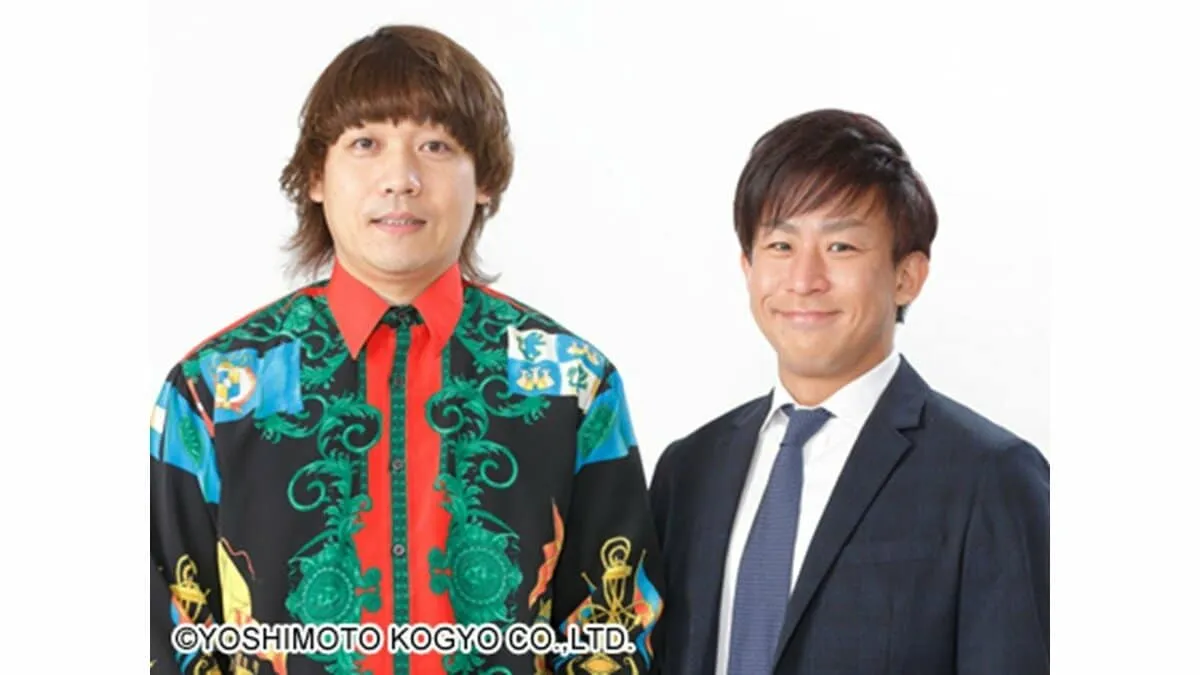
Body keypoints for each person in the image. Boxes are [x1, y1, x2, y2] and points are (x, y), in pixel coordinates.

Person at [149, 25, 663, 675]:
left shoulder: (571, 383)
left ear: (484, 179)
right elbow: (171, 629)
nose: (401, 178)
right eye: (365, 143)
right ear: (315, 176)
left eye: (436, 145)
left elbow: (614, 627)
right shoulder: (217, 388)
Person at [648, 109, 1049, 674]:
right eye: (780, 246)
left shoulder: (992, 478)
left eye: (841, 247)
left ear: (907, 276)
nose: (804, 280)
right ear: (747, 266)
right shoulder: (688, 471)